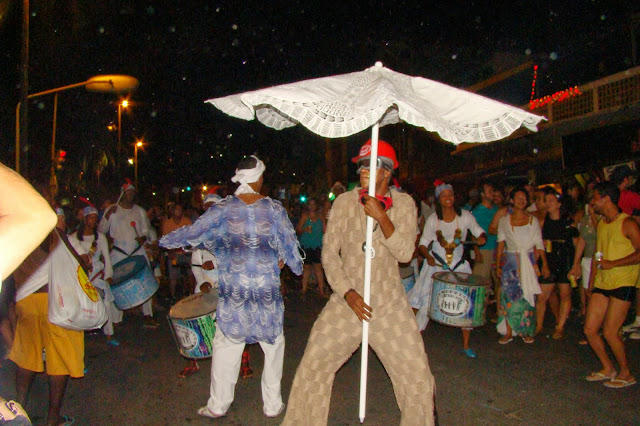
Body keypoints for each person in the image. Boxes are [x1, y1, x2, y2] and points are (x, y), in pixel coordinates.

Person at [283, 140, 436, 425]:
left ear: (387, 172)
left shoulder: (404, 204)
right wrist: (348, 293)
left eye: (371, 164)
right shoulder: (343, 202)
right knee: (313, 364)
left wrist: (382, 216)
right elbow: (328, 253)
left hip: (389, 304)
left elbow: (404, 253)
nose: (363, 170)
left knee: (417, 376)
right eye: (362, 165)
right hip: (347, 302)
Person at [161, 155, 303, 419]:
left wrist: (167, 241)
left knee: (227, 344)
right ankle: (272, 405)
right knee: (273, 345)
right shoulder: (273, 209)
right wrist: (289, 263)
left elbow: (194, 233)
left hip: (235, 292)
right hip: (265, 292)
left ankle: (218, 405)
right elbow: (290, 248)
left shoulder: (223, 209)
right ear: (258, 178)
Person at [8, 208, 84, 426]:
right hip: (54, 302)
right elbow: (78, 264)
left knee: (27, 358)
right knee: (59, 360)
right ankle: (53, 418)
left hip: (26, 300)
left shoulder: (19, 234)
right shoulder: (53, 233)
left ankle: (19, 410)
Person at [408, 180, 487, 358]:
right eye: (443, 196)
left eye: (450, 195)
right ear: (438, 199)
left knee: (466, 303)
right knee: (426, 303)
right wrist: (427, 256)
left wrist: (481, 237)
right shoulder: (433, 219)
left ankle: (466, 344)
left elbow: (478, 231)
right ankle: (414, 344)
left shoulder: (465, 216)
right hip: (436, 265)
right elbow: (423, 244)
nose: (448, 198)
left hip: (459, 266)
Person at [584, 182, 639, 388]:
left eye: (595, 198)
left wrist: (613, 264)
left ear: (606, 198)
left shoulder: (628, 223)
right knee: (590, 329)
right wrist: (591, 282)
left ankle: (626, 373)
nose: (592, 202)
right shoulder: (602, 224)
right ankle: (608, 368)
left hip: (623, 281)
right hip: (603, 282)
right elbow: (598, 255)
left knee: (610, 331)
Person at [98, 181, 159, 327]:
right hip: (119, 251)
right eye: (128, 193)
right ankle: (116, 319)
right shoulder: (112, 210)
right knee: (116, 284)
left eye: (132, 193)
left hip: (136, 250)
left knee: (144, 281)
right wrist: (107, 217)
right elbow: (101, 230)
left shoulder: (139, 211)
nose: (130, 195)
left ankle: (148, 315)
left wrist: (143, 238)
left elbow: (146, 229)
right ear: (122, 194)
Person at [495, 187, 548, 344]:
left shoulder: (533, 221)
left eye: (524, 197)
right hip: (511, 263)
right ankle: (509, 332)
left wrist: (544, 264)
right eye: (517, 197)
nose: (521, 199)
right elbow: (500, 244)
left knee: (527, 297)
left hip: (528, 262)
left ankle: (527, 331)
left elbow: (539, 243)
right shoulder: (504, 221)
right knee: (509, 297)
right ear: (511, 200)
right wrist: (498, 265)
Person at [69, 206, 120, 346]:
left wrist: (108, 275)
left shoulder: (101, 238)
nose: (94, 220)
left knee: (106, 303)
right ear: (85, 219)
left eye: (95, 218)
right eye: (91, 217)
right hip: (82, 277)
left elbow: (107, 258)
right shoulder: (73, 238)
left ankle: (109, 334)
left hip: (97, 276)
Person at [536, 188, 579, 339]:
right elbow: (539, 245)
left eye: (551, 201)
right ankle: (539, 326)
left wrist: (576, 264)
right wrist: (539, 264)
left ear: (559, 204)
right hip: (549, 259)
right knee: (542, 295)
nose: (548, 204)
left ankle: (559, 327)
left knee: (565, 294)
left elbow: (576, 243)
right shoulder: (543, 222)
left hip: (565, 259)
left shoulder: (569, 222)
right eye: (546, 201)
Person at [610, 165, 640, 339]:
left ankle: (615, 323)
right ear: (626, 179)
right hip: (630, 242)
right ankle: (636, 320)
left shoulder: (610, 196)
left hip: (614, 243)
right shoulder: (631, 197)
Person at [471, 182, 499, 307]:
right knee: (480, 281)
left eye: (492, 191)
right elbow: (472, 233)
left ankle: (500, 312)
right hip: (484, 249)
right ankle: (477, 310)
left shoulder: (497, 210)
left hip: (498, 249)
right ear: (482, 194)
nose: (492, 193)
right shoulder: (476, 211)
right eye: (489, 191)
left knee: (499, 281)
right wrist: (476, 251)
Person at [296, 198, 327, 299]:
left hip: (317, 245)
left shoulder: (320, 217)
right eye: (310, 204)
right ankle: (303, 290)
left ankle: (321, 290)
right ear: (308, 206)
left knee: (318, 267)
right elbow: (298, 230)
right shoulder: (305, 217)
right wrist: (305, 229)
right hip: (307, 245)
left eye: (314, 204)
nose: (312, 206)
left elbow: (325, 230)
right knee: (307, 268)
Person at [161, 203, 192, 302]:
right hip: (174, 253)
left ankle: (191, 293)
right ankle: (172, 295)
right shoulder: (167, 223)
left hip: (185, 252)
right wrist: (171, 251)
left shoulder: (187, 221)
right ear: (172, 211)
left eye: (180, 209)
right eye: (176, 209)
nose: (178, 211)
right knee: (173, 276)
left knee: (191, 273)